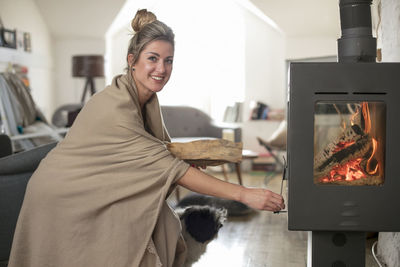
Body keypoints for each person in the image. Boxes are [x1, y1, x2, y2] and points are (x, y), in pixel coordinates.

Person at [8, 9, 285, 267]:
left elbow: (157, 151)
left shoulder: (144, 99)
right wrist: (246, 194)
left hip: (101, 184)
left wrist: (192, 155)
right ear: (132, 60)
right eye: (152, 58)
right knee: (151, 228)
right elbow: (169, 167)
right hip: (68, 194)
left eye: (168, 60)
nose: (161, 69)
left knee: (162, 221)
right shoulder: (115, 106)